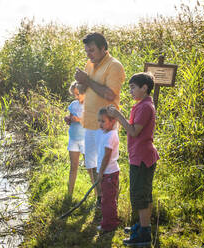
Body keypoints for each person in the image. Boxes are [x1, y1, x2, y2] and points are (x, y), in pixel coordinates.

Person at [107, 72, 159, 246]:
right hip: (142, 156)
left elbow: (134, 131)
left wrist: (118, 116)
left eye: (133, 87)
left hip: (142, 158)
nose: (130, 91)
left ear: (144, 88)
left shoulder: (145, 107)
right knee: (144, 194)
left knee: (140, 196)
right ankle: (144, 226)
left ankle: (144, 234)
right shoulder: (143, 104)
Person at [74, 32, 125, 206]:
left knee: (107, 164)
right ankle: (100, 197)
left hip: (106, 125)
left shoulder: (114, 66)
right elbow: (83, 89)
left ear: (104, 49)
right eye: (87, 51)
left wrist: (87, 80)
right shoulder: (90, 63)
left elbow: (110, 95)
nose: (89, 55)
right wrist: (80, 82)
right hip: (89, 121)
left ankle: (110, 200)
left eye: (92, 50)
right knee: (90, 163)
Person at [95, 107, 120, 232]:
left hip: (108, 173)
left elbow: (107, 156)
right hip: (107, 172)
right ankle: (111, 221)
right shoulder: (106, 133)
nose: (100, 124)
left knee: (107, 200)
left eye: (103, 121)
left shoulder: (110, 135)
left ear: (113, 121)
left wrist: (100, 172)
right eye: (99, 121)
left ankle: (109, 225)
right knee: (107, 198)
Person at [64, 81, 86, 196]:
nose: (76, 97)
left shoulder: (89, 105)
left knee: (90, 167)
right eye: (74, 95)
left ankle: (98, 195)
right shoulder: (73, 104)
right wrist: (68, 119)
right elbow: (71, 117)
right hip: (73, 138)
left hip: (85, 139)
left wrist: (78, 119)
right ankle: (69, 193)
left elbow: (92, 122)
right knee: (73, 166)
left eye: (78, 94)